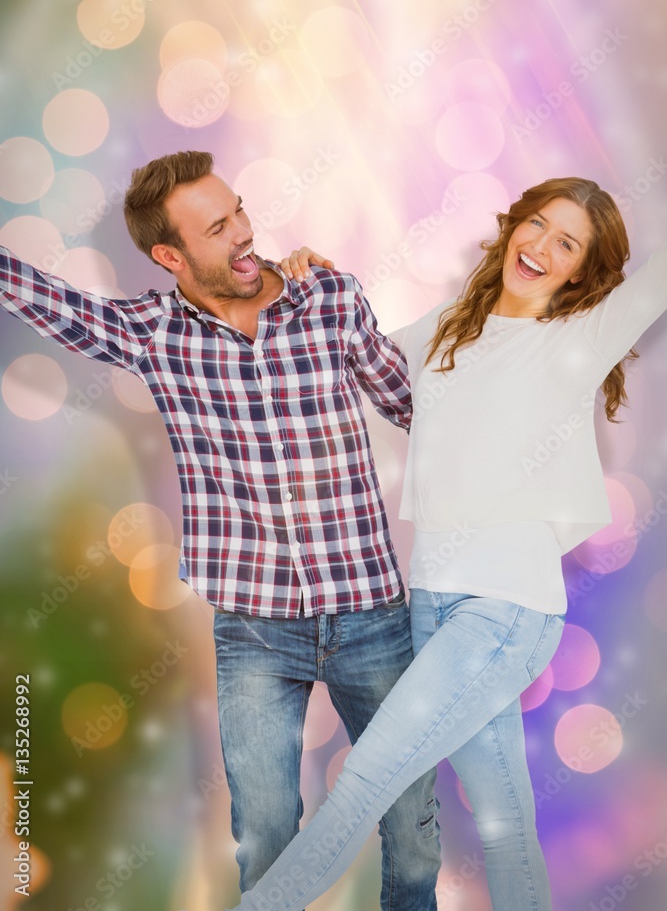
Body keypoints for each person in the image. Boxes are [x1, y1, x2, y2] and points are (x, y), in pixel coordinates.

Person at [0, 151, 441, 909]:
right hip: (254, 630)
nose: (244, 232)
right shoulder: (153, 333)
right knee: (265, 834)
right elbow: (48, 301)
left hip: (371, 611)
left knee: (409, 821)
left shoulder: (327, 295)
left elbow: (413, 406)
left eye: (237, 210)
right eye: (218, 227)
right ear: (171, 256)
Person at [228, 176, 667, 911]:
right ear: (512, 226)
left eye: (567, 244)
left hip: (505, 611)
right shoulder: (450, 328)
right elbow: (349, 355)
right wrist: (307, 283)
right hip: (430, 603)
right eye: (537, 225)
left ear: (582, 273)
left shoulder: (577, 336)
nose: (541, 247)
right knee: (502, 825)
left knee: (362, 782)